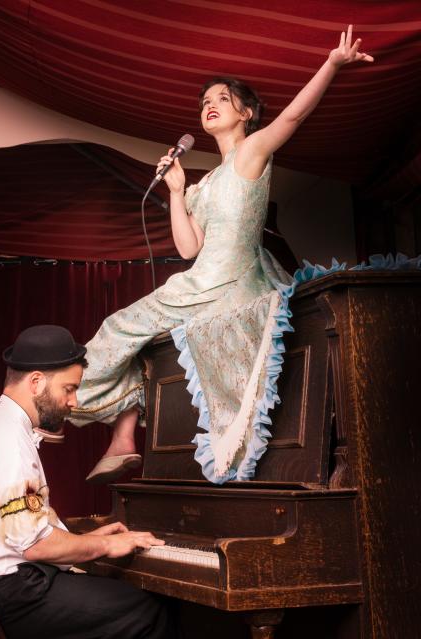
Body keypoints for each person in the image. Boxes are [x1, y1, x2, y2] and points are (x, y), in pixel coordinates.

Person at [69, 26, 374, 484]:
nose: (209, 105)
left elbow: (292, 118)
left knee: (118, 328)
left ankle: (72, 415)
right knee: (132, 338)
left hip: (231, 281)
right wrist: (175, 191)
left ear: (247, 113)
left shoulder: (251, 152)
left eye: (223, 98)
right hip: (200, 278)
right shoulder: (205, 182)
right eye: (204, 102)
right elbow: (189, 248)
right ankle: (123, 438)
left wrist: (331, 63)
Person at [0, 324, 177, 638]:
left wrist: (89, 541)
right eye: (69, 388)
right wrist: (106, 544)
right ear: (35, 382)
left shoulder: (0, 423)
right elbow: (35, 545)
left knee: (125, 599)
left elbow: (30, 530)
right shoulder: (8, 438)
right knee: (148, 610)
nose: (73, 402)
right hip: (13, 595)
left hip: (8, 589)